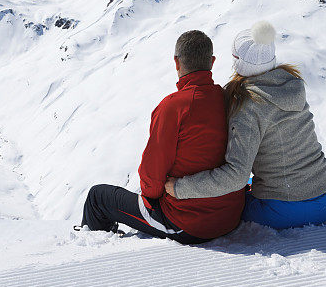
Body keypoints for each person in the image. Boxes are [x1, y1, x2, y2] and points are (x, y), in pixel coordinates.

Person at [77, 30, 245, 244]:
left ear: (176, 62)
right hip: (230, 216)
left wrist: (155, 196)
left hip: (188, 223)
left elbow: (151, 177)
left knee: (98, 197)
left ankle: (91, 251)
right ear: (212, 61)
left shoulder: (173, 107)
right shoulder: (229, 99)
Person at [165, 21, 326, 230]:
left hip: (286, 209)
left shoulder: (248, 104)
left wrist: (181, 187)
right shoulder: (291, 84)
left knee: (225, 208)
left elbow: (236, 176)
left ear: (238, 62)